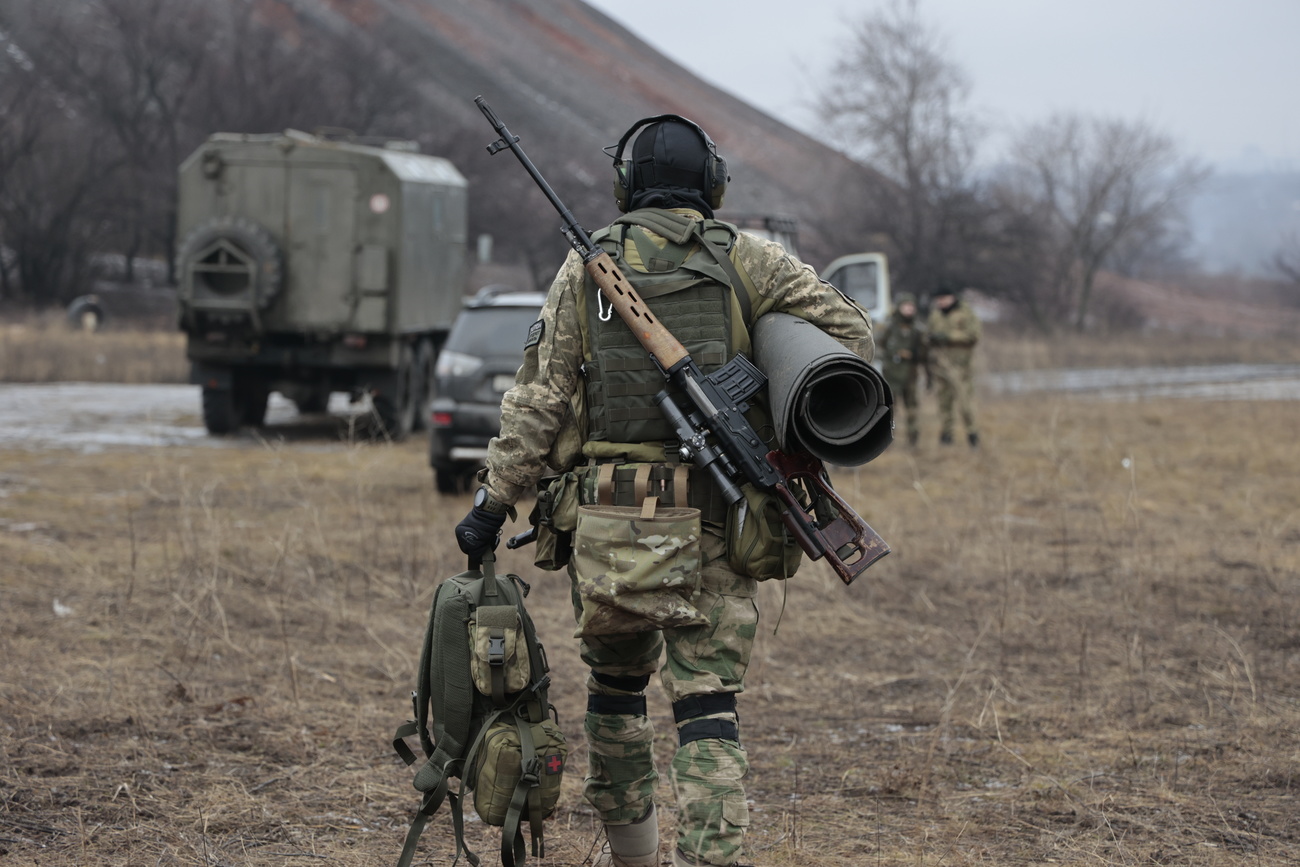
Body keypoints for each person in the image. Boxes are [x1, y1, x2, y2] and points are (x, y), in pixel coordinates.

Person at [455, 114, 874, 867]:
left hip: (609, 520)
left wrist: (492, 504)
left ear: (625, 185)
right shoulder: (749, 259)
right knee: (707, 708)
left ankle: (635, 858)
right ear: (712, 184)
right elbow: (851, 336)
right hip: (716, 518)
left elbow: (538, 404)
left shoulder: (582, 273)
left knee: (615, 695)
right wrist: (764, 335)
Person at [926, 282, 981, 447]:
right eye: (938, 299)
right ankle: (946, 435)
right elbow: (929, 335)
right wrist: (931, 339)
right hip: (940, 366)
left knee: (965, 403)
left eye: (944, 298)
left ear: (952, 298)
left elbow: (974, 335)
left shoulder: (965, 313)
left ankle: (972, 434)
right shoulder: (935, 315)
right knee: (944, 403)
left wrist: (948, 336)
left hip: (960, 366)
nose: (941, 302)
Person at [878, 292, 926, 447]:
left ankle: (913, 440)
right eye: (906, 306)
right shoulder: (889, 326)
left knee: (912, 408)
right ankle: (886, 439)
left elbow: (925, 352)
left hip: (910, 375)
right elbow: (878, 346)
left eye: (911, 307)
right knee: (890, 409)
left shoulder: (918, 329)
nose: (909, 310)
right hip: (891, 374)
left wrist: (913, 355)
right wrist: (893, 354)